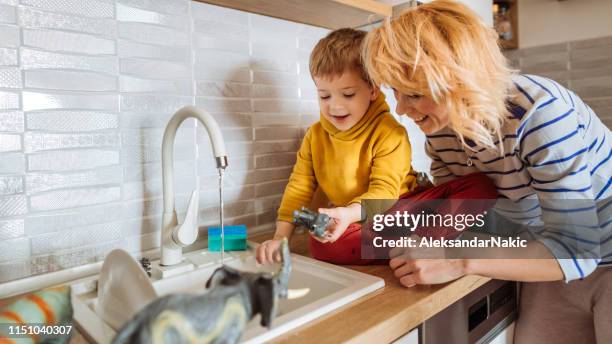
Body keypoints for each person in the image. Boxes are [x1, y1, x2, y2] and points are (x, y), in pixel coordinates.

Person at [362, 1, 611, 343]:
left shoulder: (539, 115)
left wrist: (460, 258)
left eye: (415, 94)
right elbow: (472, 222)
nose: (402, 110)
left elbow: (578, 252)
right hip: (545, 255)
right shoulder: (442, 135)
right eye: (396, 93)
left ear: (461, 79)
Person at [255, 28, 419, 265]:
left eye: (348, 94)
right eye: (324, 96)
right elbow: (299, 187)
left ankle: (421, 236)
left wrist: (347, 214)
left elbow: (385, 193)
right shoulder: (315, 135)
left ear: (373, 89)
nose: (335, 106)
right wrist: (281, 237)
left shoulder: (390, 133)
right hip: (357, 219)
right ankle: (410, 243)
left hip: (397, 209)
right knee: (323, 247)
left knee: (473, 191)